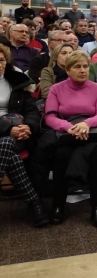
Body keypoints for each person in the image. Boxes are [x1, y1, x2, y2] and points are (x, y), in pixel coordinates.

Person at [44, 51, 97, 227]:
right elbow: (49, 116)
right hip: (66, 131)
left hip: (92, 131)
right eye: (77, 67)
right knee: (62, 154)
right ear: (67, 70)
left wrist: (86, 124)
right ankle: (58, 205)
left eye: (85, 66)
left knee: (96, 153)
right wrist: (69, 128)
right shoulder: (56, 89)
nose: (83, 70)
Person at [0, 45, 48, 227]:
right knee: (8, 151)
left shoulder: (18, 82)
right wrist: (7, 129)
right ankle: (35, 202)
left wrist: (28, 126)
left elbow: (32, 111)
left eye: (2, 60)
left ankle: (35, 203)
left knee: (6, 144)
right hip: (8, 135)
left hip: (19, 134)